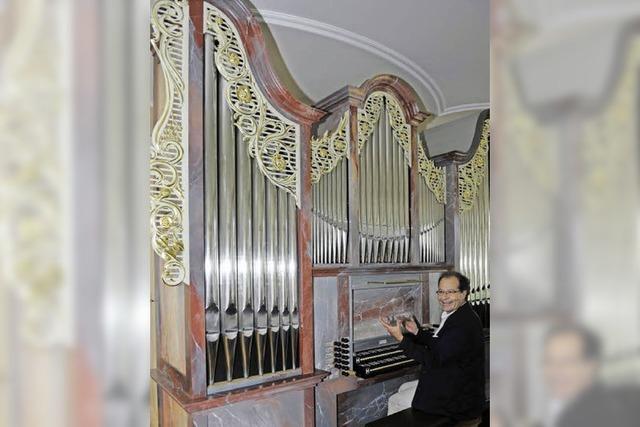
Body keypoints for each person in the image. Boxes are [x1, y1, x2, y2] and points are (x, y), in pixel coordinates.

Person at [380, 271, 485, 426]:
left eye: (451, 292)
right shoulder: (460, 314)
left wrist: (401, 339)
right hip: (456, 383)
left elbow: (432, 360)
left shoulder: (462, 324)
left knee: (395, 400)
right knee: (403, 387)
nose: (444, 297)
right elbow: (441, 345)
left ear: (463, 293)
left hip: (457, 400)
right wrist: (417, 332)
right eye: (441, 291)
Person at [542, 324, 640, 427]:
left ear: (591, 366)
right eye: (548, 361)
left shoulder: (584, 416)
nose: (555, 371)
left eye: (567, 361)